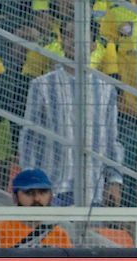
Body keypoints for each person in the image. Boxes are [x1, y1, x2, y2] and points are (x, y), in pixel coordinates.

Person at [18, 18, 123, 206]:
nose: (73, 41)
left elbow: (111, 140)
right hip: (51, 187)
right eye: (68, 35)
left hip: (93, 190)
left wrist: (114, 181)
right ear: (61, 42)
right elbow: (30, 136)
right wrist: (31, 180)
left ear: (93, 45)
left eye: (81, 36)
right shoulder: (41, 85)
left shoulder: (106, 90)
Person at [0, 168, 75, 248]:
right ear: (15, 197)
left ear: (50, 195)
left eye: (43, 191)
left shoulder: (59, 234)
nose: (37, 198)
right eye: (29, 192)